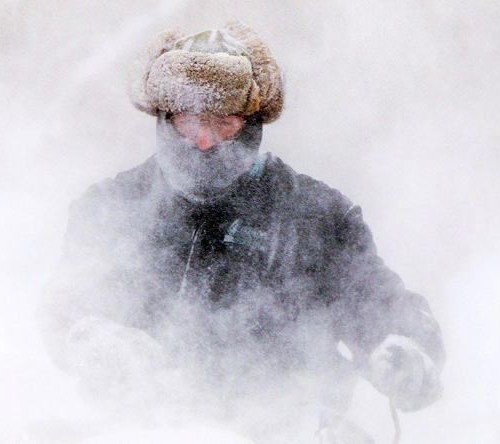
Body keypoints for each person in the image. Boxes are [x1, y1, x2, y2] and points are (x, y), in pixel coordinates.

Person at [37, 20, 445, 442]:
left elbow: (385, 310)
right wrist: (92, 339)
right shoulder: (111, 207)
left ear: (253, 124)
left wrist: (408, 354)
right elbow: (64, 309)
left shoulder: (317, 217)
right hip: (137, 430)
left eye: (225, 122)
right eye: (188, 121)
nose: (204, 141)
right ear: (162, 118)